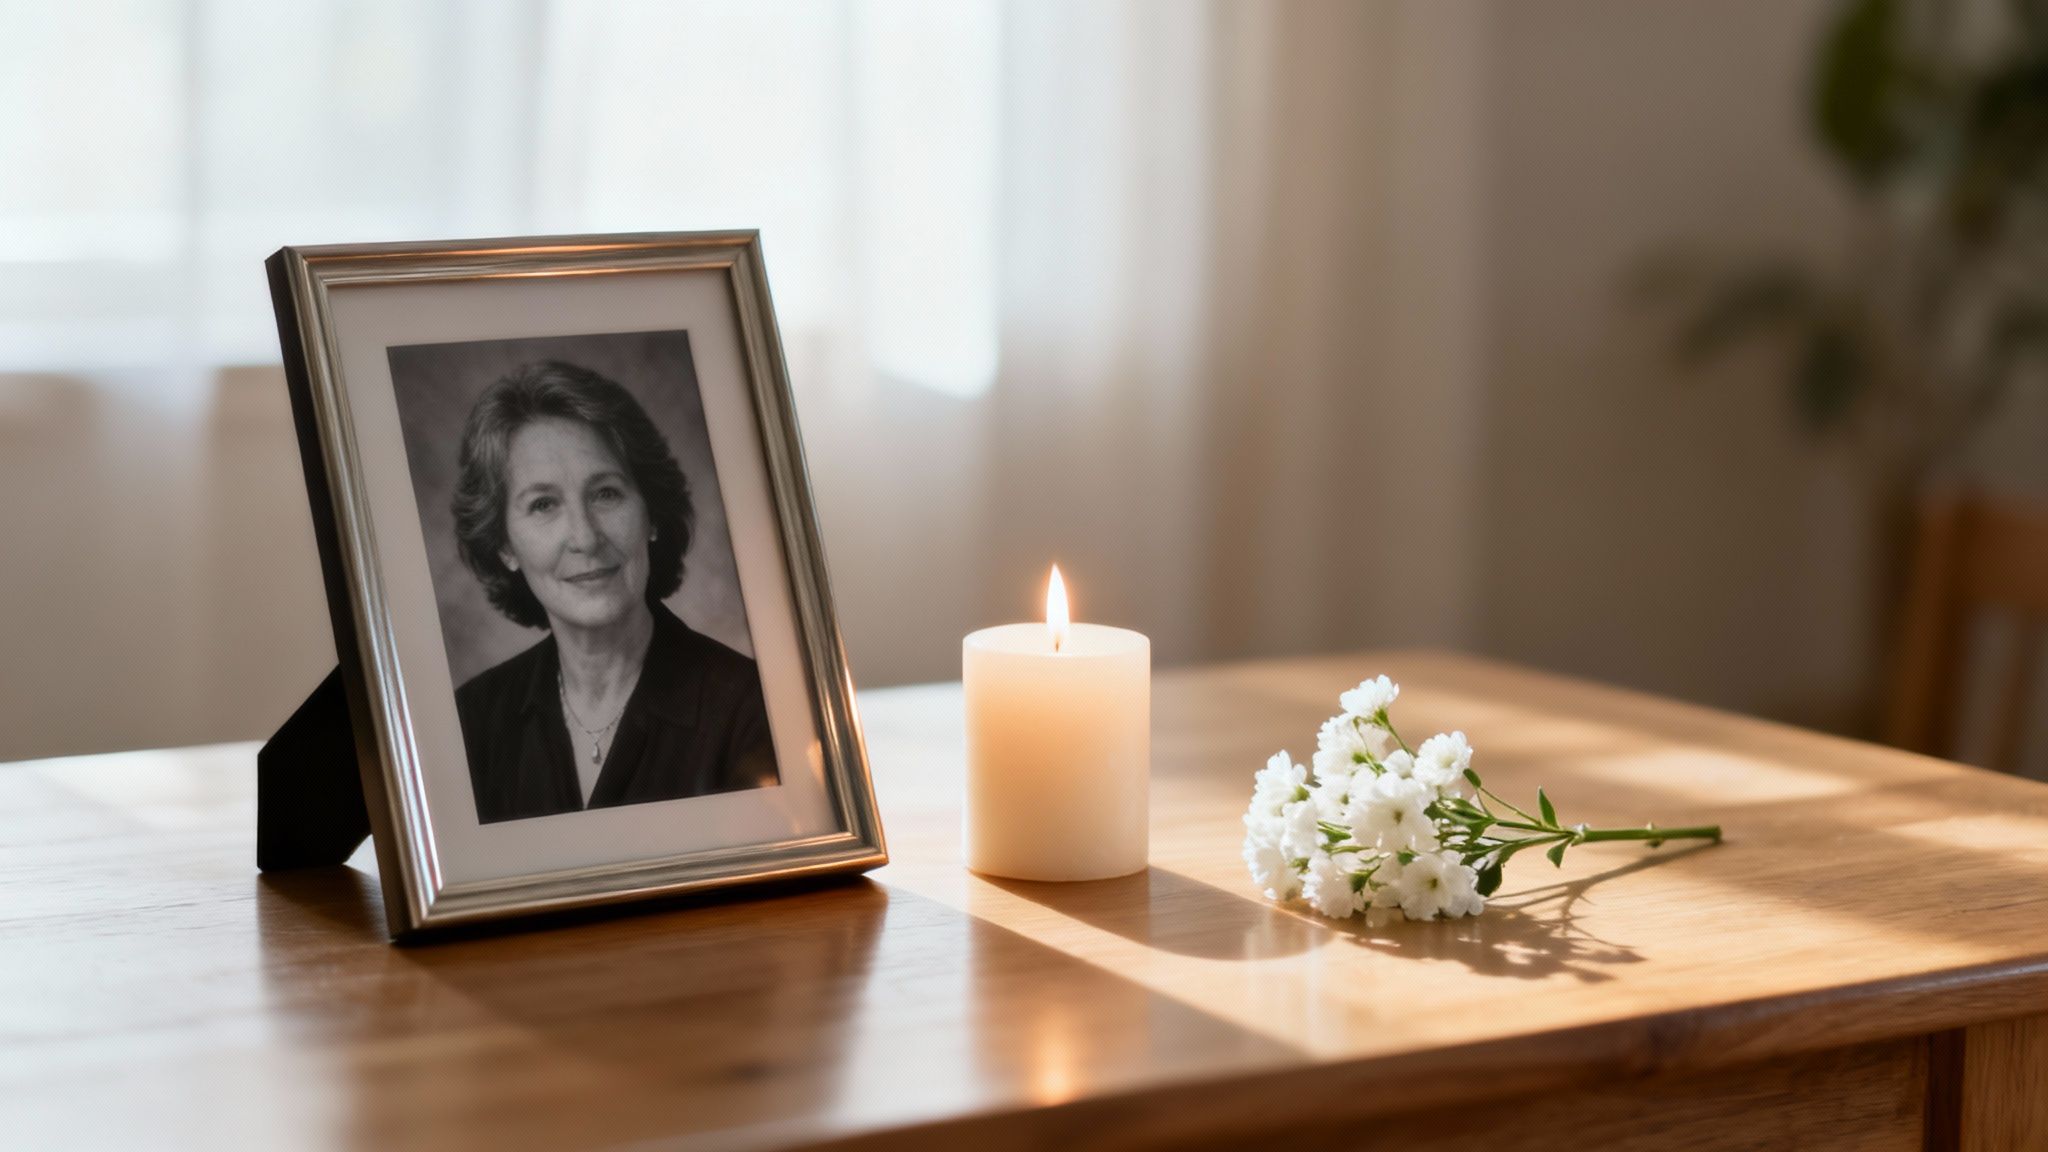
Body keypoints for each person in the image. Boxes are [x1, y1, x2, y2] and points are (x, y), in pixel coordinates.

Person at [449, 359, 777, 824]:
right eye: (543, 504)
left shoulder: (751, 709)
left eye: (606, 493)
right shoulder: (471, 721)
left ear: (652, 515)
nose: (584, 537)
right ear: (504, 545)